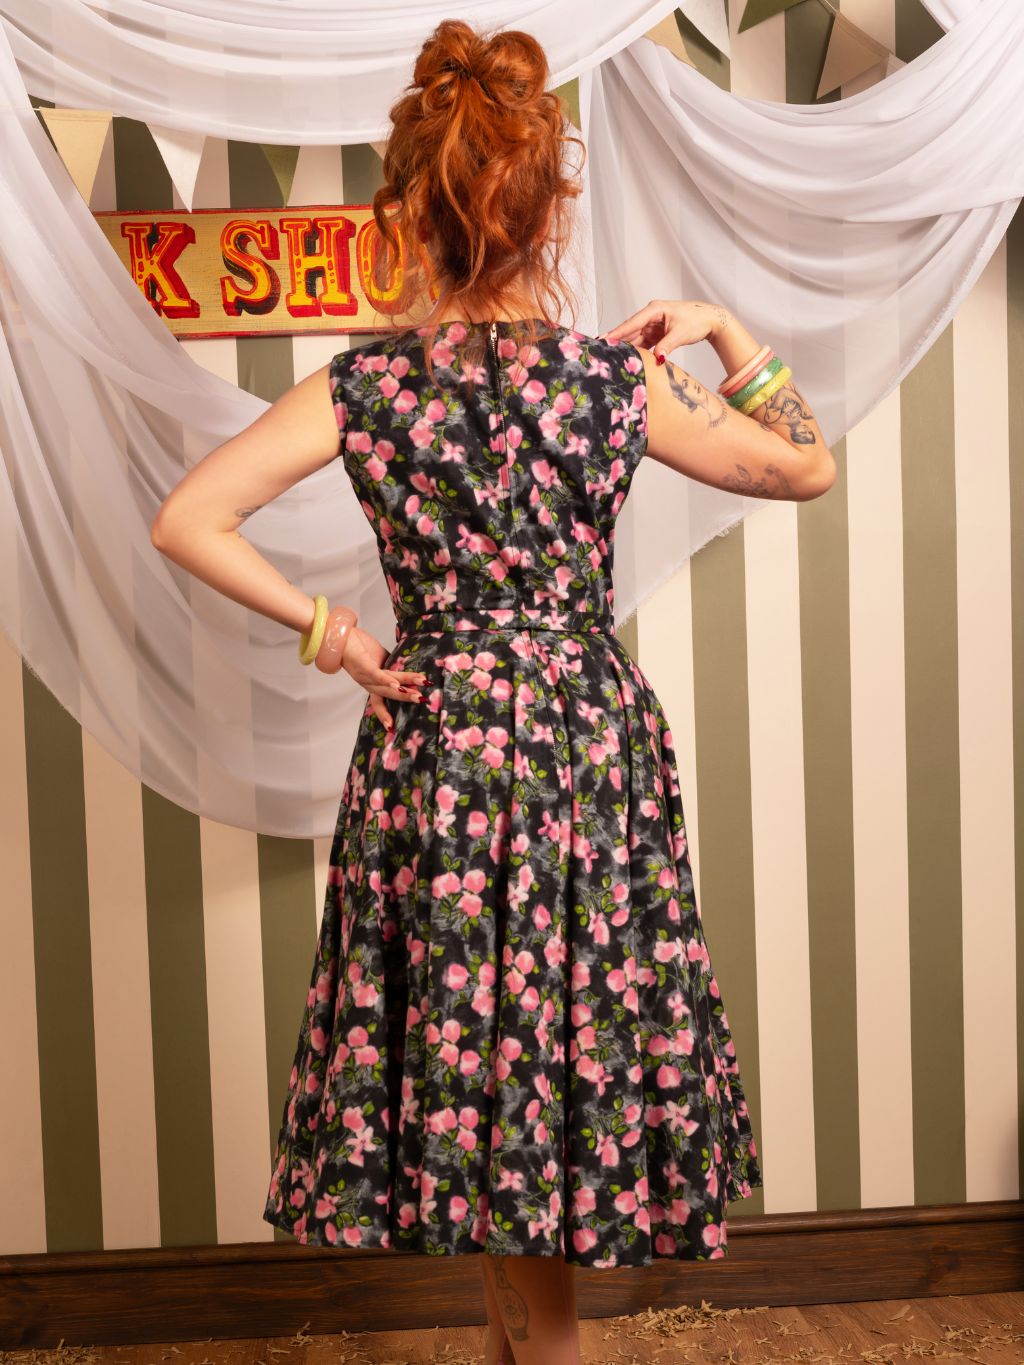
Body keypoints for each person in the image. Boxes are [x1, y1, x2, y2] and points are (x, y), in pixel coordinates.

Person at [150, 18, 834, 1365]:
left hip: (442, 751)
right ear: (547, 216)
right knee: (548, 1088)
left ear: (413, 214)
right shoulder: (615, 382)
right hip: (582, 749)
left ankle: (533, 1348)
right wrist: (725, 327)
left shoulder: (368, 384)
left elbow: (190, 517)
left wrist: (335, 637)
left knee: (483, 1077)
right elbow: (803, 464)